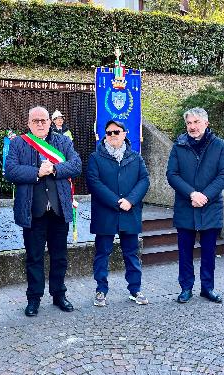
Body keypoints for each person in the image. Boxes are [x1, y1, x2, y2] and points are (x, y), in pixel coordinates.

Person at [5, 106, 81, 317]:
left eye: (44, 120)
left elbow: (76, 165)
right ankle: (34, 298)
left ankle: (59, 294)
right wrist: (36, 172)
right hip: (33, 212)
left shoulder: (63, 142)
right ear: (29, 123)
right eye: (36, 120)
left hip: (58, 211)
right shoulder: (18, 143)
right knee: (34, 258)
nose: (40, 123)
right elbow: (10, 170)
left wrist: (55, 169)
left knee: (60, 257)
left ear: (50, 122)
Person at [166, 107, 224, 304]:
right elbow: (172, 175)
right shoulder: (178, 146)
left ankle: (207, 288)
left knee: (209, 251)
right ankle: (186, 287)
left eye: (196, 122)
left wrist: (205, 195)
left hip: (210, 207)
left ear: (206, 123)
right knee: (185, 251)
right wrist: (192, 193)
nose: (192, 127)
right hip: (186, 206)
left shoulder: (219, 145)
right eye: (189, 123)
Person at [86, 120, 150, 307]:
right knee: (102, 253)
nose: (112, 135)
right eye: (108, 132)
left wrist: (130, 200)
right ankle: (101, 290)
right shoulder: (95, 157)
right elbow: (94, 182)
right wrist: (116, 202)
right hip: (106, 213)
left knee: (131, 253)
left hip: (129, 212)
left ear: (124, 134)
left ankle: (135, 289)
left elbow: (144, 180)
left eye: (116, 132)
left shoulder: (135, 157)